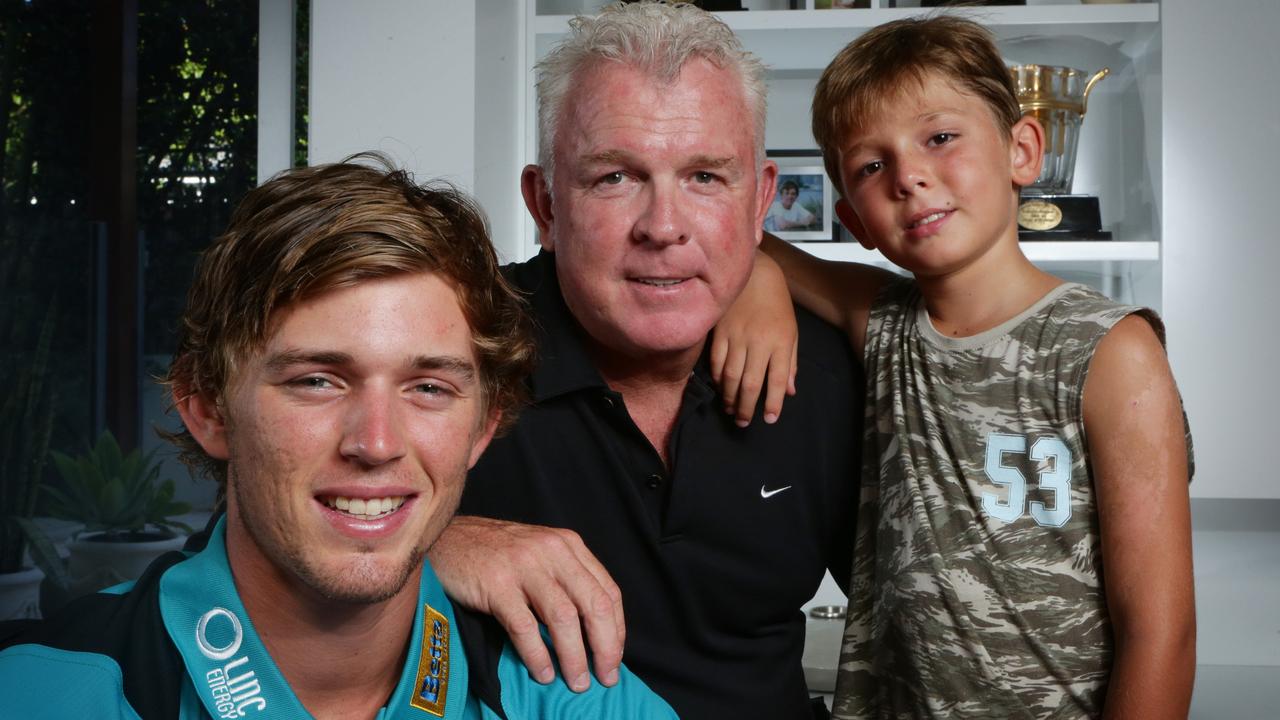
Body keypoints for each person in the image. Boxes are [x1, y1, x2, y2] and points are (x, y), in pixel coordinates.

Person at [0, 157, 677, 719]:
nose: (377, 443)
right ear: (206, 407)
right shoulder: (46, 694)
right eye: (317, 381)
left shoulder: (568, 697)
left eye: (429, 388)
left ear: (483, 427)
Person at [723, 14, 1196, 719]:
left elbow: (1163, 632)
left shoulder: (1110, 352)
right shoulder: (881, 322)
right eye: (871, 166)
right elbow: (747, 245)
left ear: (1023, 151)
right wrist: (759, 284)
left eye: (940, 137)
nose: (910, 176)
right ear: (855, 221)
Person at [426, 2, 860, 718]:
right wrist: (429, 546)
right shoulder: (451, 344)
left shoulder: (830, 374)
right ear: (545, 203)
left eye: (706, 178)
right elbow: (272, 531)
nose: (663, 228)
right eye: (614, 178)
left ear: (762, 202)